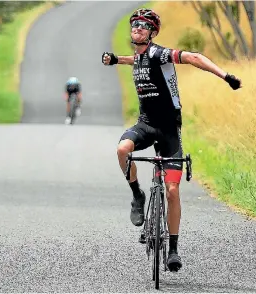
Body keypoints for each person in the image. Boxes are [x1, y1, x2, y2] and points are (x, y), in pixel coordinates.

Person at [101, 8, 241, 272]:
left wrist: (225, 76)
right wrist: (115, 60)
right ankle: (137, 195)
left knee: (173, 191)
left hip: (169, 131)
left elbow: (193, 56)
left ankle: (173, 250)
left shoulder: (158, 53)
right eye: (135, 25)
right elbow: (135, 60)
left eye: (143, 26)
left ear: (153, 32)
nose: (137, 29)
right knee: (122, 150)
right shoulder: (140, 57)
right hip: (145, 125)